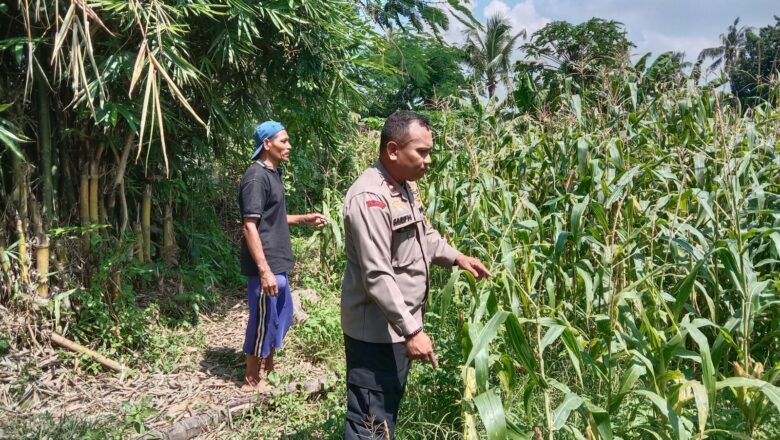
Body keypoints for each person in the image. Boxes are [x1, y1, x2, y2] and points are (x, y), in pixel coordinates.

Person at [341, 111, 491, 438]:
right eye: (421, 152)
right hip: (377, 334)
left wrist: (457, 258)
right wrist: (411, 331)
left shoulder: (404, 187)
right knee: (369, 421)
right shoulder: (371, 197)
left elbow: (426, 236)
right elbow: (378, 274)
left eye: (429, 151)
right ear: (393, 150)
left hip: (396, 327)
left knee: (384, 412)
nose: (429, 160)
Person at [239, 120, 326, 391]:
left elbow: (271, 217)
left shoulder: (273, 173)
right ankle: (252, 379)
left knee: (281, 315)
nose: (289, 146)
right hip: (265, 263)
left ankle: (270, 368)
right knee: (262, 318)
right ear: (267, 144)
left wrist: (303, 219)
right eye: (283, 141)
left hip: (278, 261)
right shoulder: (255, 177)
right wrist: (263, 269)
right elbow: (249, 225)